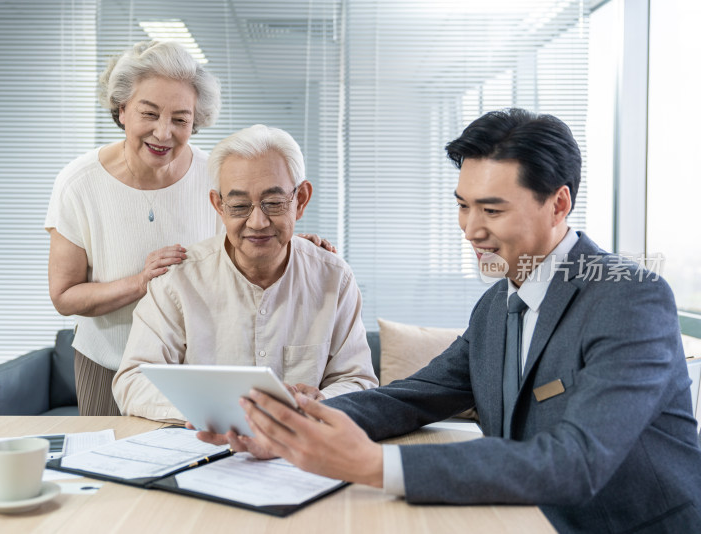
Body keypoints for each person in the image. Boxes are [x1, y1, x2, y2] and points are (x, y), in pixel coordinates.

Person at [227, 109, 701, 532]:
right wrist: (292, 427)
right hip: (517, 517)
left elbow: (576, 460)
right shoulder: (497, 305)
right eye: (462, 204)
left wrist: (376, 464)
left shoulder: (630, 297)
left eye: (492, 209)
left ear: (558, 204)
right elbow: (410, 398)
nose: (471, 230)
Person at [45, 41, 332, 416]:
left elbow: (238, 244)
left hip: (197, 364)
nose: (164, 133)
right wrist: (141, 282)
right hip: (109, 361)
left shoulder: (216, 175)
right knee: (110, 465)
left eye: (181, 119)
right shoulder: (78, 183)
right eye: (149, 114)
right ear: (122, 109)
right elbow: (65, 296)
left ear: (195, 123)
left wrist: (288, 244)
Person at [112, 124, 378, 422]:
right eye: (239, 206)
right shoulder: (178, 281)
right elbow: (133, 382)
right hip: (204, 446)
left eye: (274, 203)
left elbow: (358, 381)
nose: (258, 222)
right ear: (219, 206)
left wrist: (322, 401)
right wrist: (219, 408)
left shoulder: (333, 278)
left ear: (300, 200)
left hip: (304, 446)